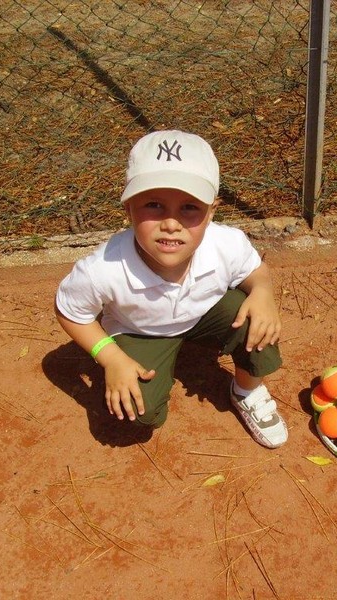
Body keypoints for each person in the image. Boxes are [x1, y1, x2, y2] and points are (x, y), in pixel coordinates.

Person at [54, 130, 288, 448]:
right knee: (137, 410)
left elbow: (255, 271)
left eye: (189, 207)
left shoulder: (226, 243)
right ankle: (141, 362)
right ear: (129, 207)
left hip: (203, 314)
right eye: (154, 205)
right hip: (140, 331)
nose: (171, 224)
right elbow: (70, 311)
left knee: (257, 320)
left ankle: (246, 390)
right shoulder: (104, 268)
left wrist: (262, 292)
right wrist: (109, 357)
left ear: (212, 211)